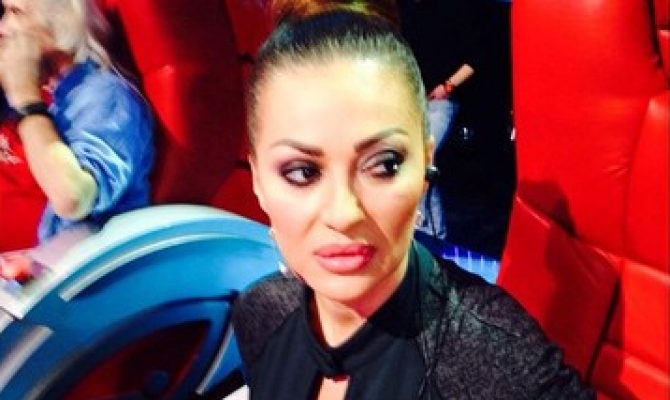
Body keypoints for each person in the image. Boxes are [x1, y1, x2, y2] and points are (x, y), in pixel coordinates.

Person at [231, 2, 595, 399]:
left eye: (384, 165)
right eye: (303, 172)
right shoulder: (261, 313)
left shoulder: (494, 358)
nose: (344, 213)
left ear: (425, 165)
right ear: (257, 179)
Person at [0, 0, 154, 279]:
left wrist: (25, 99)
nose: (3, 28)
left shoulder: (105, 96)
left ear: (62, 19)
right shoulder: (41, 89)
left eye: (16, 12)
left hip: (71, 285)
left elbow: (72, 198)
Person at [396, 0, 483, 242]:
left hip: (440, 101)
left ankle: (432, 233)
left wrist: (448, 86)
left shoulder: (454, 10)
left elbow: (475, 58)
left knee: (423, 160)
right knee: (417, 162)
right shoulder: (408, 10)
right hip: (412, 98)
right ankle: (425, 231)